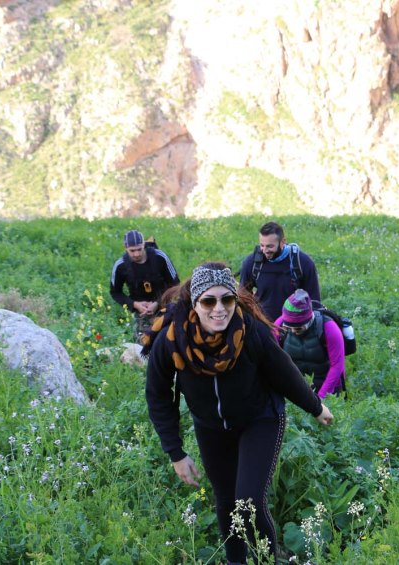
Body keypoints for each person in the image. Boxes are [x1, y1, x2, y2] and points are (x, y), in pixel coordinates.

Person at [143, 262, 334, 564]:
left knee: (248, 502)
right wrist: (176, 453)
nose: (219, 309)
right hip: (210, 426)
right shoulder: (172, 340)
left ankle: (269, 557)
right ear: (195, 303)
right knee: (226, 500)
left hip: (260, 419)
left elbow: (282, 370)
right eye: (209, 300)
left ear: (234, 300)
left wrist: (315, 406)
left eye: (226, 300)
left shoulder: (251, 331)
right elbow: (157, 395)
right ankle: (236, 561)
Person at [239, 221, 321, 321]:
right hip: (263, 324)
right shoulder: (252, 263)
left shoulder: (302, 263)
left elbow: (314, 301)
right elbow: (243, 298)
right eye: (262, 245)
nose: (264, 250)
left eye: (270, 246)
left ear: (283, 242)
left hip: (295, 325)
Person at [274, 289, 346, 397]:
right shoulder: (279, 325)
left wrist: (321, 397)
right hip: (296, 386)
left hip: (328, 386)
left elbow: (337, 365)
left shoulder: (329, 328)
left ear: (308, 321)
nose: (293, 331)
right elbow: (273, 359)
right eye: (289, 328)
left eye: (298, 329)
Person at [109, 229, 180, 340]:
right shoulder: (120, 265)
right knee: (144, 346)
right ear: (125, 248)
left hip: (166, 303)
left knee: (171, 340)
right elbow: (115, 292)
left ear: (144, 245)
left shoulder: (159, 257)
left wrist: (158, 302)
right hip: (141, 311)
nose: (136, 254)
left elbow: (176, 284)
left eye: (139, 249)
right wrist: (135, 304)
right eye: (132, 251)